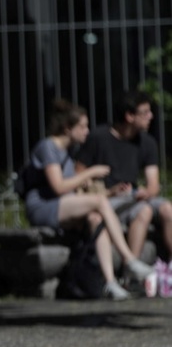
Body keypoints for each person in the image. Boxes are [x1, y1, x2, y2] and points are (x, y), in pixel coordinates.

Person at [25, 99, 155, 299]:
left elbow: (76, 194)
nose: (87, 131)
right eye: (83, 126)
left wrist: (110, 193)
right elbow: (59, 187)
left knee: (96, 218)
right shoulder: (48, 147)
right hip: (43, 207)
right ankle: (129, 260)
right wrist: (90, 172)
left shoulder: (67, 153)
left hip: (62, 205)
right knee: (98, 205)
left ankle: (110, 282)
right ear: (68, 128)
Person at [76, 90, 172, 263]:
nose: (151, 116)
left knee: (168, 209)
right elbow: (78, 173)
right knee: (144, 211)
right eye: (145, 113)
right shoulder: (98, 137)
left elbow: (154, 185)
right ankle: (132, 268)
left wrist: (147, 192)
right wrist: (101, 185)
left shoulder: (147, 142)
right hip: (107, 198)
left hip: (133, 196)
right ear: (129, 116)